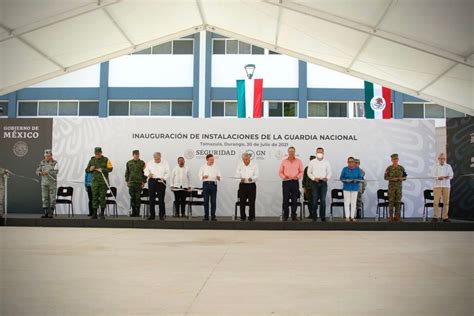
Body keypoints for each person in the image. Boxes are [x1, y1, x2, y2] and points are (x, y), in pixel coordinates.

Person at [85, 147, 113, 220]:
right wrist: (90, 169)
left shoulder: (106, 159)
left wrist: (102, 169)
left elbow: (111, 169)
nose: (97, 155)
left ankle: (102, 214)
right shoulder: (92, 160)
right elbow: (86, 170)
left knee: (102, 198)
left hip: (103, 183)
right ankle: (94, 214)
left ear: (101, 152)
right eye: (96, 153)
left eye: (98, 153)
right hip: (94, 182)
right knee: (94, 198)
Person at [278, 147, 303, 221]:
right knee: (285, 199)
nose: (291, 153)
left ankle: (293, 216)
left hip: (295, 182)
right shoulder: (284, 161)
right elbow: (280, 172)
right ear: (288, 152)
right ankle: (285, 215)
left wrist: (298, 177)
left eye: (293, 151)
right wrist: (283, 177)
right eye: (290, 151)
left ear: (294, 152)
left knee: (294, 200)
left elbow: (301, 171)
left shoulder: (298, 161)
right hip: (286, 182)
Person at [307, 147, 332, 222]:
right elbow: (309, 172)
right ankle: (314, 216)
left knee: (323, 200)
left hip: (323, 182)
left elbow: (330, 172)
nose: (319, 154)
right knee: (314, 200)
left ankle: (322, 216)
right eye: (318, 152)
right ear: (316, 153)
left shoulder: (327, 162)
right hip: (315, 182)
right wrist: (314, 178)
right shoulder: (312, 162)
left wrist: (327, 178)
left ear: (323, 153)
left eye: (321, 152)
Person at [144, 152, 170, 220]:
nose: (157, 160)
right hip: (152, 181)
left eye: (158, 159)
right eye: (156, 159)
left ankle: (162, 215)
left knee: (161, 199)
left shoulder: (165, 162)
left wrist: (164, 178)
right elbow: (145, 170)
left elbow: (168, 172)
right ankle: (152, 215)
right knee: (151, 199)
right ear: (154, 158)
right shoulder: (150, 162)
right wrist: (148, 174)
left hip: (161, 181)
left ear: (160, 157)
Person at [235, 153, 259, 221]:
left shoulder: (254, 165)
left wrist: (252, 178)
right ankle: (243, 217)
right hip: (242, 185)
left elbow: (257, 175)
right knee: (242, 202)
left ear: (249, 158)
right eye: (244, 159)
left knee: (252, 202)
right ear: (242, 159)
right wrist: (240, 179)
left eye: (247, 159)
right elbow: (236, 176)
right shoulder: (239, 166)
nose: (246, 161)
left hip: (251, 185)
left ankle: (251, 217)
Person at [384, 153, 407, 222]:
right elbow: (385, 177)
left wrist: (402, 178)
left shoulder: (401, 168)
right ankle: (390, 217)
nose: (395, 160)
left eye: (396, 159)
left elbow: (405, 177)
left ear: (398, 159)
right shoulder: (389, 168)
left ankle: (397, 217)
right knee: (391, 202)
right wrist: (392, 179)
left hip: (399, 188)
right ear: (391, 160)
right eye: (394, 159)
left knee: (398, 202)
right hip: (391, 188)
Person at [36, 149, 58, 218]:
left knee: (52, 198)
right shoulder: (42, 162)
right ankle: (45, 213)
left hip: (52, 183)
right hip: (44, 183)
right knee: (44, 198)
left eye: (48, 156)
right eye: (45, 156)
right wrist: (40, 173)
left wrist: (48, 173)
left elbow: (56, 172)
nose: (46, 157)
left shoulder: (55, 163)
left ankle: (51, 213)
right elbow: (37, 171)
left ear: (51, 155)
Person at [432, 153, 454, 222]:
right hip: (437, 186)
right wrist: (438, 178)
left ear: (445, 159)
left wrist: (447, 177)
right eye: (441, 159)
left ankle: (445, 217)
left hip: (446, 186)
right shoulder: (435, 166)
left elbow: (451, 175)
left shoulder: (448, 166)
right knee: (436, 202)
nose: (442, 160)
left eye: (443, 159)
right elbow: (432, 175)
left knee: (446, 202)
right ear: (438, 159)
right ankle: (435, 217)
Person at [339, 157, 363, 222]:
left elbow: (360, 178)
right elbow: (341, 178)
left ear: (354, 162)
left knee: (353, 203)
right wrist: (346, 180)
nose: (351, 163)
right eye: (349, 161)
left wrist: (356, 180)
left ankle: (352, 217)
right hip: (346, 187)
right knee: (346, 202)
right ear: (347, 162)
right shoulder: (345, 169)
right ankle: (347, 217)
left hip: (355, 188)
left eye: (352, 161)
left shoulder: (357, 169)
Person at [198, 154, 221, 221]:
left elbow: (219, 176)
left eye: (213, 159)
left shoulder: (216, 167)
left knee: (213, 201)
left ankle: (213, 216)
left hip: (214, 184)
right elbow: (199, 175)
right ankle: (206, 216)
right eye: (211, 159)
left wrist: (218, 177)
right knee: (206, 201)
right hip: (206, 184)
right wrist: (203, 177)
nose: (212, 161)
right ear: (207, 159)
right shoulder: (203, 167)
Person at [125, 150, 146, 217]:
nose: (136, 155)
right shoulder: (129, 163)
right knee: (132, 198)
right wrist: (127, 181)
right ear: (133, 155)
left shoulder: (142, 163)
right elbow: (127, 173)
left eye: (137, 154)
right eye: (135, 154)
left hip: (139, 183)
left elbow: (145, 173)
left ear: (139, 154)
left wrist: (143, 181)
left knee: (138, 198)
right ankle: (133, 212)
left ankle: (137, 213)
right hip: (131, 183)